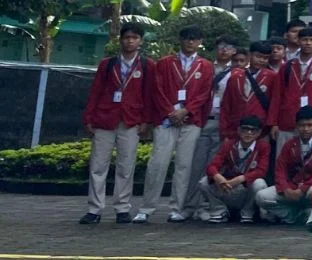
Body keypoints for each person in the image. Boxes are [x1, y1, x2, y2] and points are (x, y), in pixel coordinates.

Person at [81, 22, 155, 225]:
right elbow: (95, 92)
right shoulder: (107, 64)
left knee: (126, 166)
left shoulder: (147, 65)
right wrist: (89, 118)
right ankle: (94, 209)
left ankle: (122, 208)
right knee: (98, 166)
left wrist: (146, 121)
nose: (130, 41)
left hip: (131, 120)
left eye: (134, 38)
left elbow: (148, 95)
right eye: (127, 37)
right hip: (104, 119)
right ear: (120, 40)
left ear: (141, 41)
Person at [141, 24, 214, 222]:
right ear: (180, 40)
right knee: (158, 163)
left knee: (184, 166)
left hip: (191, 121)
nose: (190, 42)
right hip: (166, 120)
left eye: (194, 38)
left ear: (200, 42)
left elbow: (204, 94)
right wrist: (171, 112)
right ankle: (147, 207)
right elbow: (158, 90)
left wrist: (186, 110)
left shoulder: (206, 66)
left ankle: (177, 207)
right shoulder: (165, 62)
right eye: (187, 38)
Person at [186, 35, 239, 214]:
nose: (224, 50)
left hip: (222, 124)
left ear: (234, 51)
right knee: (195, 166)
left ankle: (207, 206)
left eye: (229, 47)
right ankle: (190, 206)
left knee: (214, 166)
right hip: (202, 120)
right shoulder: (204, 67)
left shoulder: (237, 72)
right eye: (221, 46)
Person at [257, 106, 312, 224]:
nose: (306, 129)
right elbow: (280, 169)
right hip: (292, 188)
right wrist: (286, 189)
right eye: (302, 125)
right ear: (296, 126)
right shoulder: (290, 144)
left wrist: (303, 188)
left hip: (310, 187)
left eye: (309, 125)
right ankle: (293, 215)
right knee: (261, 197)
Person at [198, 114, 270, 223]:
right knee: (204, 182)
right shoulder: (229, 145)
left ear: (259, 133)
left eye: (253, 130)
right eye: (245, 129)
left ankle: (248, 212)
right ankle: (219, 210)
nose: (249, 133)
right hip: (228, 187)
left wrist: (241, 179)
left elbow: (262, 171)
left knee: (259, 183)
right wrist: (218, 177)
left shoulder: (263, 146)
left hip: (246, 188)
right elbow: (212, 166)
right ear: (239, 130)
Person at [273, 28, 312, 148]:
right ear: (298, 41)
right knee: (284, 154)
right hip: (287, 120)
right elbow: (277, 96)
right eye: (304, 40)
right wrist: (273, 123)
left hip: (311, 122)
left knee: (308, 156)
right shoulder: (287, 66)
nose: (308, 43)